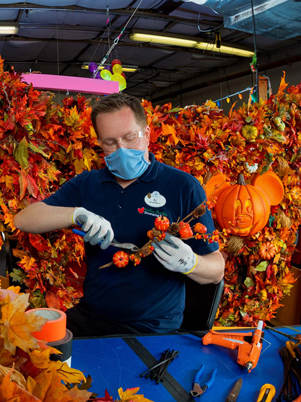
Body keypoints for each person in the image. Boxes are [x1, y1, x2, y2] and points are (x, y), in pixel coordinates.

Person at [14, 92, 225, 336]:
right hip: (93, 315)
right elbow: (24, 219)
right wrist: (76, 214)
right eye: (110, 142)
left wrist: (191, 263)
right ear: (100, 143)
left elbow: (216, 270)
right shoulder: (88, 184)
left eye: (129, 138)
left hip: (153, 328)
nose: (121, 150)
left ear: (146, 135)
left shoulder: (182, 187)